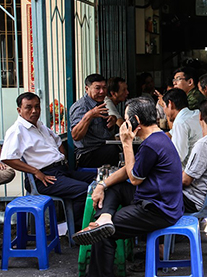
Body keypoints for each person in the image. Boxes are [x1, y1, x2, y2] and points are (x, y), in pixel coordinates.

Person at [72, 97, 183, 277]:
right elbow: (128, 170)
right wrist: (102, 184)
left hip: (158, 209)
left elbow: (134, 178)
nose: (123, 123)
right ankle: (104, 217)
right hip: (156, 200)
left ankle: (102, 231)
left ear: (135, 121)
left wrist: (126, 143)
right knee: (115, 188)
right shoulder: (158, 137)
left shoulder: (152, 145)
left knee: (103, 234)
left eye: (125, 119)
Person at [1, 92, 95, 229]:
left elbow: (58, 142)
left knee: (99, 178)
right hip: (44, 177)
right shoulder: (17, 131)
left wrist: (63, 159)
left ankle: (95, 222)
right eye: (28, 107)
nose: (34, 111)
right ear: (19, 110)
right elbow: (8, 158)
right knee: (84, 190)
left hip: (61, 170)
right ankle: (77, 230)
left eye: (37, 107)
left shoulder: (40, 125)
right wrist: (35, 171)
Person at [70, 74, 120, 168]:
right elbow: (76, 136)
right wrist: (89, 116)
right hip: (87, 154)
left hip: (103, 147)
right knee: (114, 151)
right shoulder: (81, 107)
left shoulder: (100, 103)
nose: (102, 91)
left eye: (104, 88)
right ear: (87, 89)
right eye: (97, 88)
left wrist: (112, 120)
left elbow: (104, 130)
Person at [160, 88, 202, 169]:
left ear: (170, 104)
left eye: (164, 106)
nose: (164, 110)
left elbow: (178, 156)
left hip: (188, 171)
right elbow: (171, 133)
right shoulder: (196, 114)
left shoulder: (180, 122)